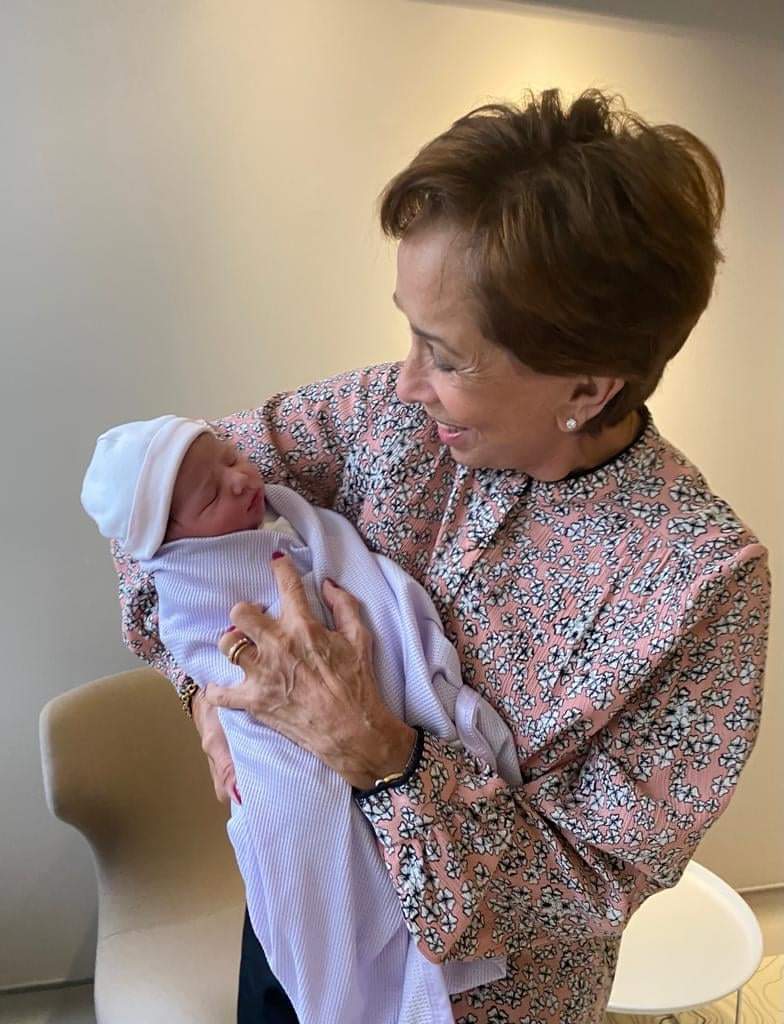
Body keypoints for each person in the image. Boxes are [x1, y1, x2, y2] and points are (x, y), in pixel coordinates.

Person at [110, 87, 771, 1024]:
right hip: (298, 918)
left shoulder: (700, 587)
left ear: (588, 386)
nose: (406, 381)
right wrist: (208, 694)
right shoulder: (380, 420)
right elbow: (148, 512)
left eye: (446, 355)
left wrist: (384, 757)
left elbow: (589, 880)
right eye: (409, 332)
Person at [82, 415, 523, 1024]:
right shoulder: (193, 568)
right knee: (306, 867)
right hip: (282, 769)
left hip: (460, 864)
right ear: (172, 538)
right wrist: (207, 698)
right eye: (212, 493)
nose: (242, 478)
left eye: (233, 457)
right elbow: (172, 606)